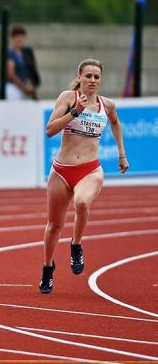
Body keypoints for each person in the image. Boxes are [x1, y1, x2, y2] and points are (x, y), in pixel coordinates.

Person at [40, 58, 128, 294]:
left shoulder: (106, 105)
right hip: (61, 171)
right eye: (88, 76)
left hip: (90, 170)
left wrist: (122, 154)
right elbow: (49, 130)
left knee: (81, 202)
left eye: (96, 77)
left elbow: (116, 124)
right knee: (54, 226)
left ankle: (76, 245)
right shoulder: (68, 98)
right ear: (79, 77)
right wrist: (74, 112)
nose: (92, 80)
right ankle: (48, 268)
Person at [5, 25, 40, 100]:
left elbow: (32, 71)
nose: (20, 39)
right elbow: (11, 74)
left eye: (22, 36)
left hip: (26, 87)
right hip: (14, 87)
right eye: (17, 36)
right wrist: (24, 87)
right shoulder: (10, 53)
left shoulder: (27, 52)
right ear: (12, 38)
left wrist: (33, 86)